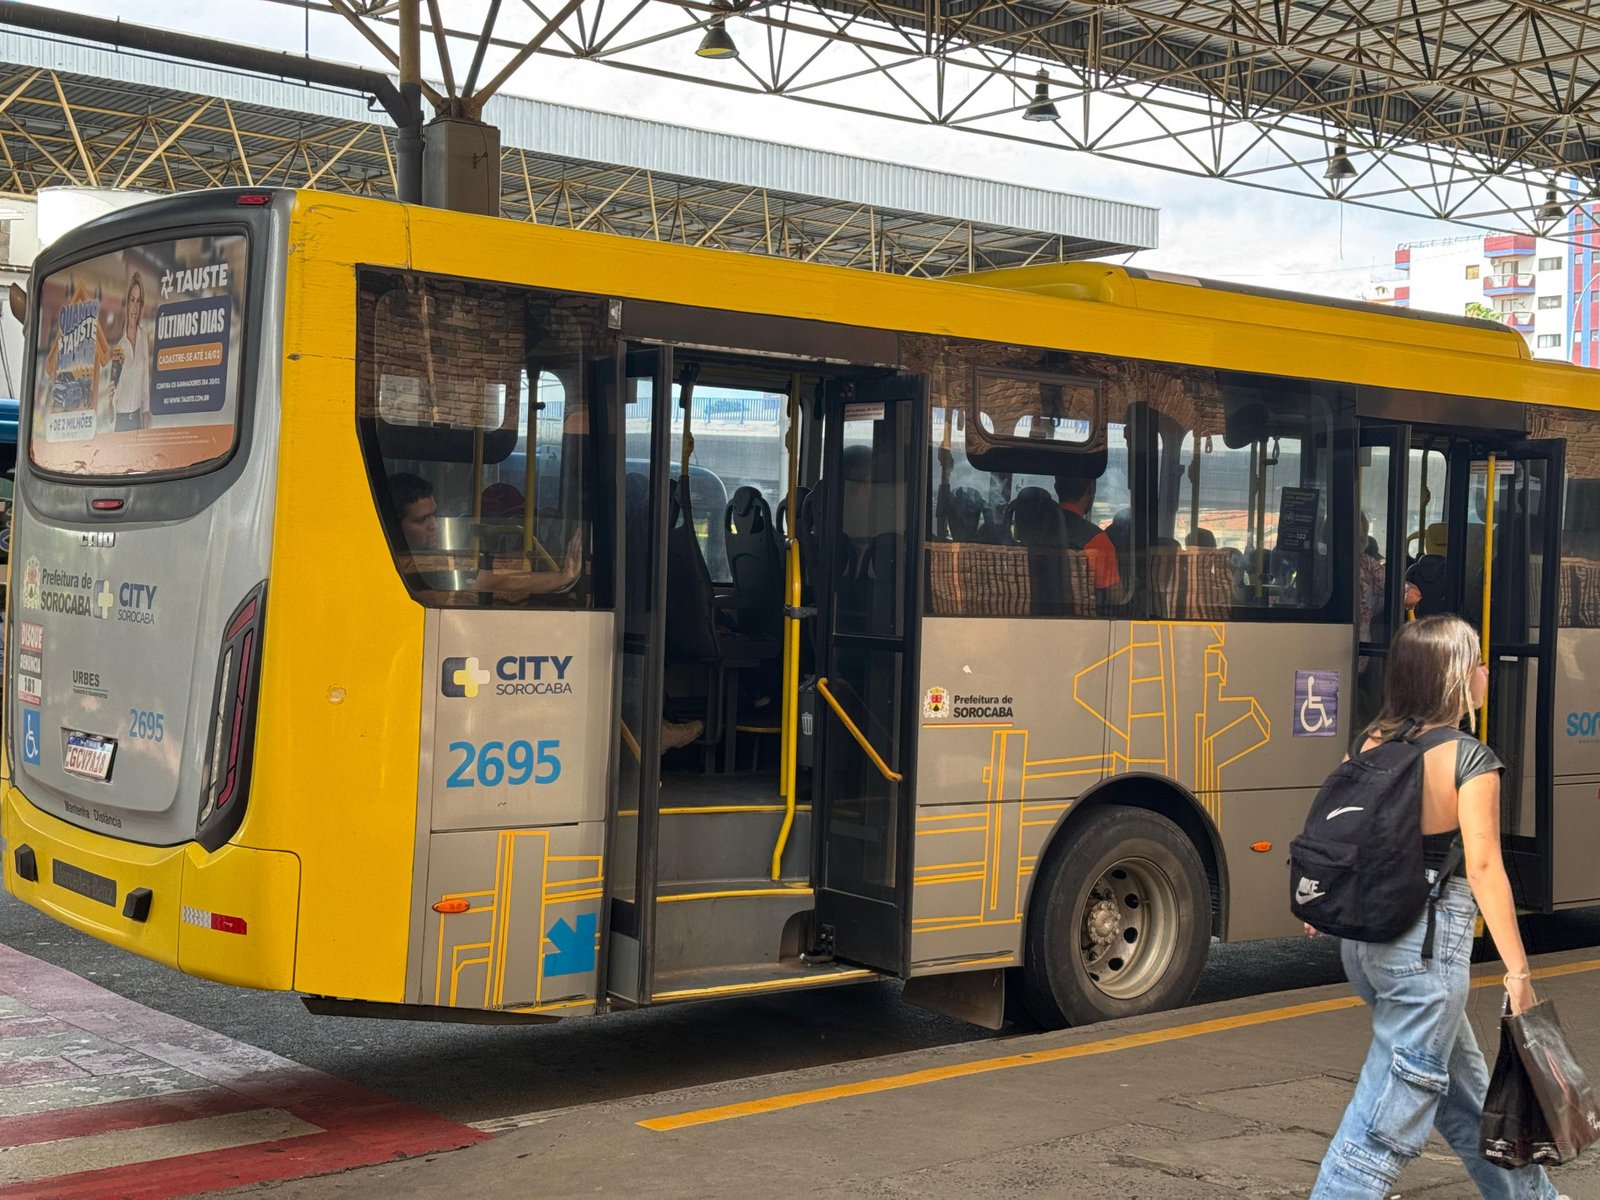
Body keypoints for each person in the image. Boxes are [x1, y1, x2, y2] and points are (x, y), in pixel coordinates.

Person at [1310, 615, 1562, 1200]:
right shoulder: (1469, 759)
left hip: (1366, 943)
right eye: (1475, 662)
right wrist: (1519, 974)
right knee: (1386, 1124)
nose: (1483, 672)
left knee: (1466, 1092)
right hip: (1424, 950)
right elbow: (1483, 870)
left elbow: (1350, 838)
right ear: (1453, 678)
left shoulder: (1370, 741)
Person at [1054, 474, 1121, 594]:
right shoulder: (1096, 539)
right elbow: (1115, 597)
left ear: (1056, 488)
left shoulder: (1030, 532)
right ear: (1091, 488)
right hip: (1082, 612)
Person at [110, 272, 151, 433]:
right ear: (127, 303)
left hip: (138, 420)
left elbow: (145, 384)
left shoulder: (143, 339)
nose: (135, 307)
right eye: (132, 300)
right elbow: (114, 388)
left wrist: (146, 420)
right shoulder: (119, 346)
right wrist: (109, 404)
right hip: (121, 422)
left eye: (139, 301)